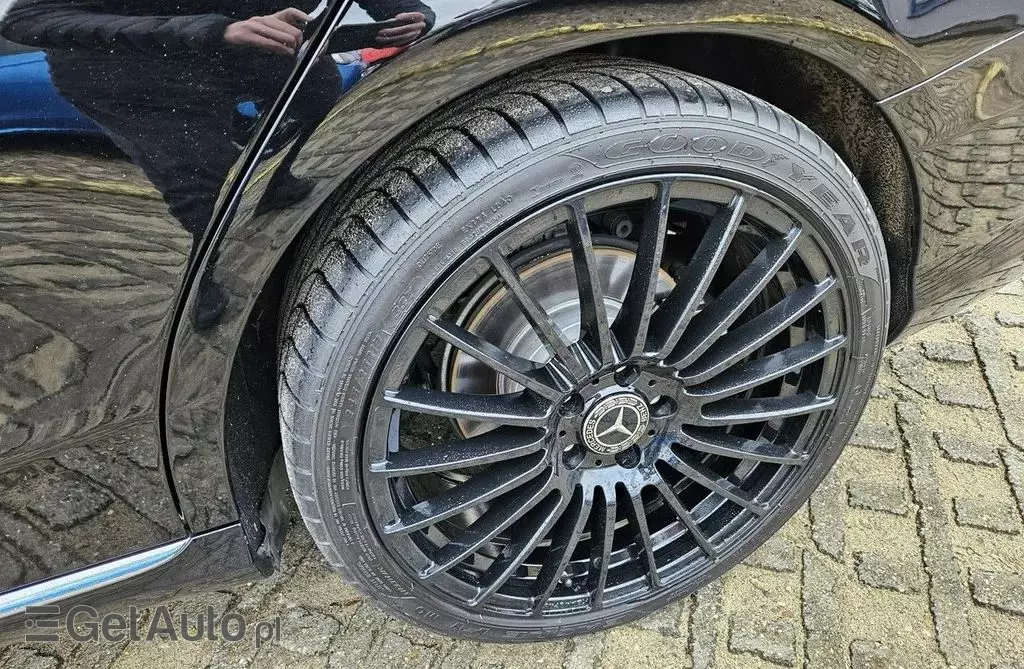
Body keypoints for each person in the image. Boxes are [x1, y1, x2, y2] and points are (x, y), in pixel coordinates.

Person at [0, 1, 435, 248]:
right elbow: (25, 19)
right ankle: (216, 285)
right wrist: (210, 30)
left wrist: (412, 15)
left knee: (317, 86)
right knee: (203, 179)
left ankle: (274, 180)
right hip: (127, 74)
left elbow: (395, 5)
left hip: (240, 45)